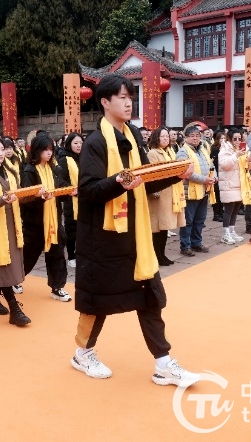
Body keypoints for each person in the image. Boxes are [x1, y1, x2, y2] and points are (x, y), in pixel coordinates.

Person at [71, 74, 199, 384]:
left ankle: (163, 363)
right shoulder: (95, 142)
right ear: (105, 102)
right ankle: (82, 353)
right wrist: (119, 182)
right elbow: (88, 190)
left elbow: (144, 180)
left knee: (149, 296)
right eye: (122, 97)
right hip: (104, 238)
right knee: (98, 300)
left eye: (131, 97)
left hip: (136, 235)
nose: (129, 102)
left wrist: (175, 175)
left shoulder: (132, 138)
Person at [0, 137, 39, 325]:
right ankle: (15, 310)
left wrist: (35, 195)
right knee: (2, 264)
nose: (1, 153)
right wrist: (3, 199)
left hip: (12, 222)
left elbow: (19, 196)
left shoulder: (11, 170)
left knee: (5, 263)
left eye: (2, 149)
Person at [20, 135, 72, 302]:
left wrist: (70, 191)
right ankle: (13, 280)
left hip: (54, 220)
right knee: (29, 255)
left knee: (57, 255)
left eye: (51, 149)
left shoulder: (53, 168)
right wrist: (40, 198)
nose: (49, 153)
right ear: (37, 151)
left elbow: (61, 187)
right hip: (35, 223)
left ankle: (57, 287)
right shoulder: (29, 171)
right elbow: (25, 199)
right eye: (45, 150)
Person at [145, 127, 186, 265]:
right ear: (156, 138)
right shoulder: (152, 153)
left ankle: (162, 254)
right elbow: (152, 174)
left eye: (167, 136)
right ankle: (156, 256)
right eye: (162, 136)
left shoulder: (169, 151)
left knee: (165, 227)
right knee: (157, 228)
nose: (165, 138)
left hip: (169, 193)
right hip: (159, 195)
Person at [176, 125, 217, 256]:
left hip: (204, 189)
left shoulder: (202, 149)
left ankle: (196, 243)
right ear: (185, 138)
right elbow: (186, 172)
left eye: (197, 136)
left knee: (200, 219)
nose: (195, 138)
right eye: (192, 136)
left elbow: (211, 165)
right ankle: (185, 245)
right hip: (189, 191)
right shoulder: (183, 152)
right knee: (188, 220)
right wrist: (204, 179)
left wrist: (214, 177)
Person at [217, 129, 251, 245]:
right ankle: (225, 233)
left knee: (235, 210)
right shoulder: (224, 149)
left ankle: (232, 231)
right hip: (229, 183)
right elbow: (225, 165)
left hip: (241, 183)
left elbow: (250, 166)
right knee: (228, 210)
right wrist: (236, 155)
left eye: (240, 138)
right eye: (235, 139)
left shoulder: (243, 148)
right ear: (229, 138)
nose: (238, 141)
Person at [57, 132, 82, 268]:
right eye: (76, 143)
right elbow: (60, 180)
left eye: (81, 143)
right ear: (69, 144)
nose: (79, 146)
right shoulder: (64, 159)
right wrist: (72, 189)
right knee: (72, 228)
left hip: (83, 198)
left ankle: (81, 254)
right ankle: (71, 256)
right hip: (71, 199)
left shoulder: (84, 158)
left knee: (83, 228)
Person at [209, 131, 224, 223]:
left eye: (224, 138)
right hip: (216, 174)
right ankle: (216, 214)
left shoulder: (225, 148)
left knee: (222, 195)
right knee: (217, 195)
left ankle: (221, 212)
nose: (223, 140)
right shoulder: (214, 149)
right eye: (221, 138)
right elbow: (214, 163)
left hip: (223, 174)